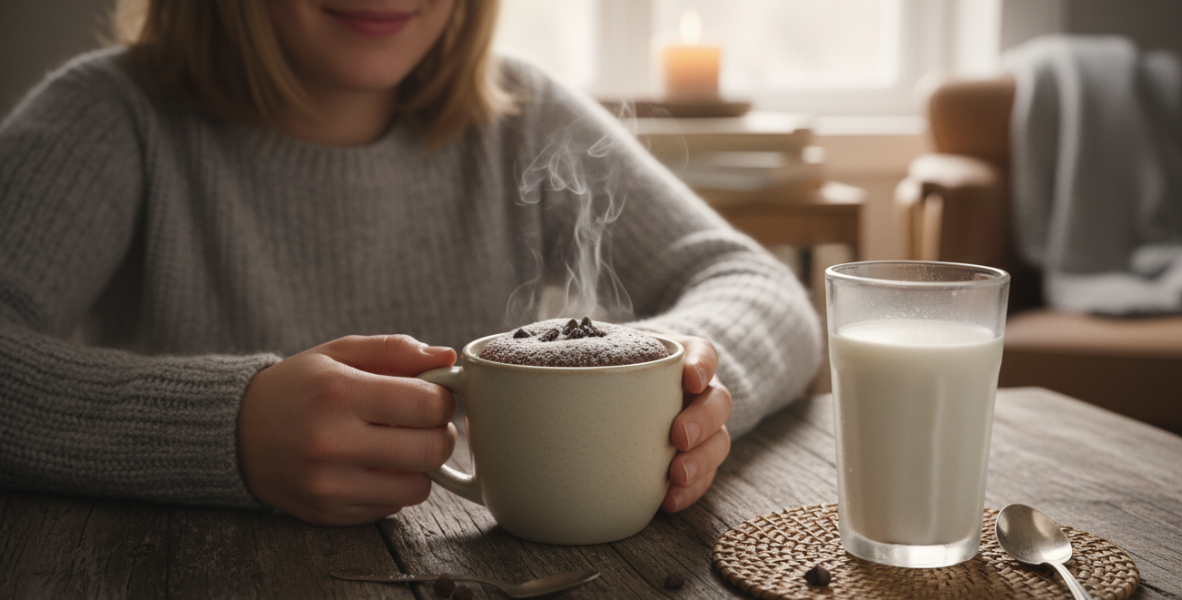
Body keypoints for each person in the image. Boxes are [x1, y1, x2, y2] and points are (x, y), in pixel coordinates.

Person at [0, 0, 822, 526]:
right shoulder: (110, 115)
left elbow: (754, 287)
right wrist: (227, 428)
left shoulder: (521, 113)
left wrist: (686, 391)